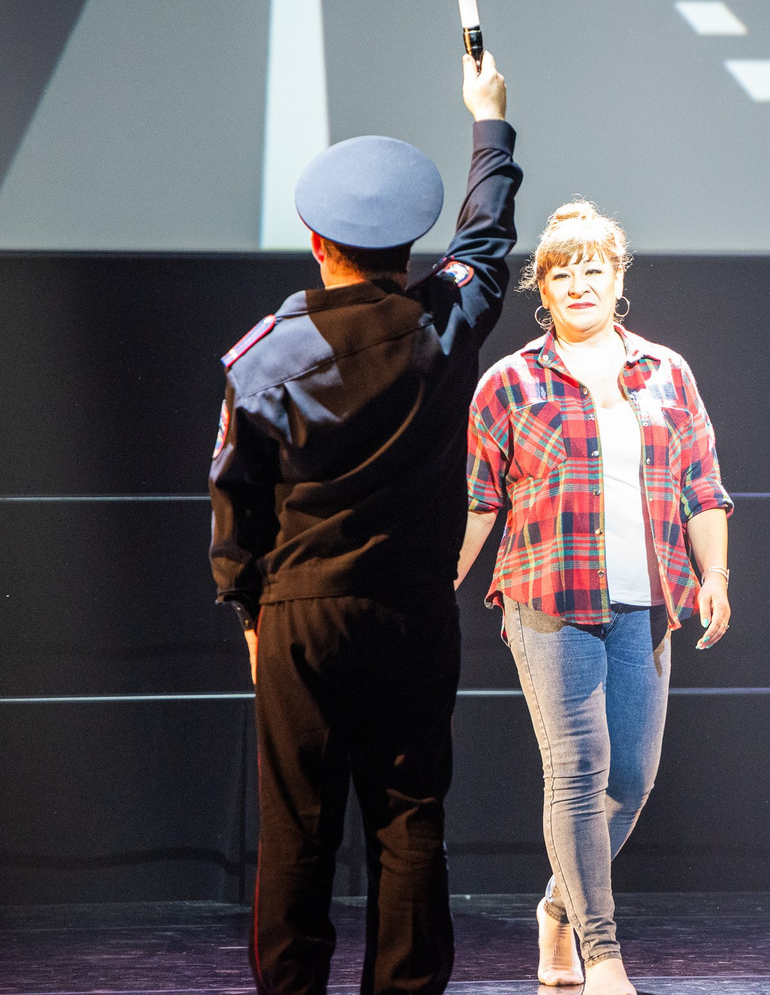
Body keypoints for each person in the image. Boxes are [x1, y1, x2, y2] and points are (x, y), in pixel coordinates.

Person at [209, 52, 519, 993]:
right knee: (410, 819)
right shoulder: (445, 324)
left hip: (301, 615)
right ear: (410, 248)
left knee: (297, 829)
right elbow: (487, 238)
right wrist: (489, 121)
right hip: (413, 612)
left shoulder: (264, 358)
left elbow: (235, 500)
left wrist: (249, 611)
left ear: (317, 242)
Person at [457, 201, 733, 995]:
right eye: (562, 274)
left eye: (593, 270)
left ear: (618, 280)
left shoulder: (666, 371)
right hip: (548, 600)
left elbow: (703, 488)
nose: (579, 285)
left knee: (632, 781)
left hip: (649, 603)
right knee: (577, 770)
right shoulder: (509, 382)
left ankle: (558, 908)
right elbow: (479, 503)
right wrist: (437, 581)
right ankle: (602, 951)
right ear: (542, 289)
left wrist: (715, 576)